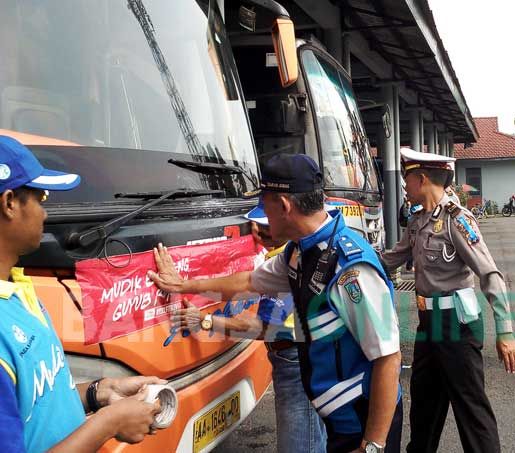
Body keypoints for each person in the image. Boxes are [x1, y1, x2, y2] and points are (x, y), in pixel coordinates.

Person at [148, 154, 402, 453]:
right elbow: (249, 282)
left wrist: (373, 445)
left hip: (362, 425)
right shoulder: (300, 251)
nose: (263, 221)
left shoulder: (350, 268)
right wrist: (184, 284)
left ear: (284, 206)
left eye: (265, 208)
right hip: (339, 419)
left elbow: (388, 358)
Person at [0, 135, 163, 452]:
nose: (45, 214)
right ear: (9, 203)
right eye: (41, 198)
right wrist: (109, 423)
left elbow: (36, 407)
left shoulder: (16, 290)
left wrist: (100, 392)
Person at [381, 148, 515, 453]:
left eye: (406, 179)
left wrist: (506, 331)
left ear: (420, 179)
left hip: (457, 325)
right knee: (424, 406)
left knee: (471, 409)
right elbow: (390, 259)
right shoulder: (417, 222)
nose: (404, 186)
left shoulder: (458, 220)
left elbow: (490, 273)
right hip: (428, 325)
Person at [167, 205, 327, 453]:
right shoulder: (289, 253)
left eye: (263, 226)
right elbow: (246, 281)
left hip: (294, 361)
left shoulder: (286, 261)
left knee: (301, 443)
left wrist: (205, 320)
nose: (254, 231)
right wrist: (184, 284)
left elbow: (264, 328)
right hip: (301, 355)